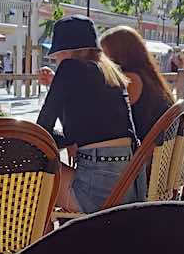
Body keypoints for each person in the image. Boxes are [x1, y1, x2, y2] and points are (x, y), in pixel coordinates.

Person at [36, 16, 138, 213]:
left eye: (56, 56)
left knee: (37, 180)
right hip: (127, 186)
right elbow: (81, 127)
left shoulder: (68, 68)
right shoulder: (111, 72)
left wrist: (65, 141)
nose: (57, 60)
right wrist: (69, 140)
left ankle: (49, 243)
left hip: (98, 190)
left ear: (66, 52)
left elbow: (42, 133)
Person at [100, 24, 176, 142]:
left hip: (143, 156)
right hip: (159, 154)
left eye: (104, 53)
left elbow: (109, 118)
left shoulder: (130, 80)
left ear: (118, 54)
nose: (102, 60)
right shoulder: (148, 76)